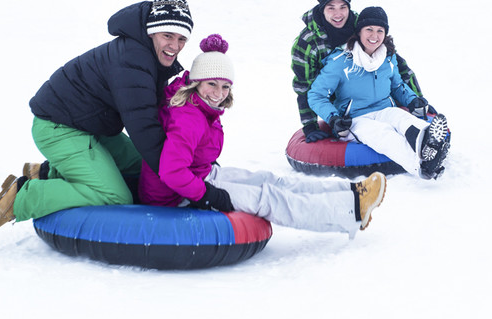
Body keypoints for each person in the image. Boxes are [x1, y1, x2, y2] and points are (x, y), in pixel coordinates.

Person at [0, 0, 195, 236]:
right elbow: (144, 127)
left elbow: (156, 118)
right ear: (151, 32)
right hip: (59, 127)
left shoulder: (147, 56)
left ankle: (46, 173)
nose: (175, 46)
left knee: (143, 168)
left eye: (182, 38)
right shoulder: (133, 60)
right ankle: (24, 196)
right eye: (167, 35)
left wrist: (190, 160)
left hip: (91, 126)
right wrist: (182, 177)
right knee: (115, 196)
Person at [139, 34, 387, 237]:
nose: (219, 93)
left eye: (225, 86)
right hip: (176, 196)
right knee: (266, 198)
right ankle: (350, 211)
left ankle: (351, 193)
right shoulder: (189, 118)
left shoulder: (201, 106)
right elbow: (172, 171)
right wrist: (207, 195)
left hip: (199, 175)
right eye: (212, 84)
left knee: (270, 179)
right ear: (196, 82)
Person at [308, 6, 450, 180]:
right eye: (369, 29)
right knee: (382, 134)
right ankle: (422, 167)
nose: (374, 36)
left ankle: (430, 141)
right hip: (355, 119)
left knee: (402, 118)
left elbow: (397, 86)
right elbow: (316, 95)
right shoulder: (341, 61)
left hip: (384, 110)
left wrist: (412, 100)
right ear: (359, 32)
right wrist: (333, 117)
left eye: (379, 31)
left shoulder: (388, 58)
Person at [291, 0, 422, 142]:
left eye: (343, 7)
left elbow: (397, 67)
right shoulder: (307, 42)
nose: (338, 14)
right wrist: (310, 125)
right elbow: (305, 86)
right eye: (331, 8)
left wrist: (418, 100)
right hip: (338, 102)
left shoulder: (362, 25)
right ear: (322, 9)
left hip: (370, 96)